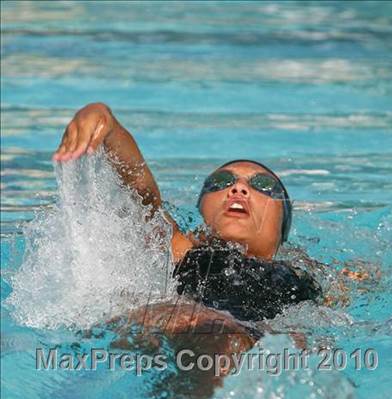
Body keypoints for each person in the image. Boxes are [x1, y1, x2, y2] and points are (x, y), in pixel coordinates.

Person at [53, 102, 321, 329]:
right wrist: (105, 121)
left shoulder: (309, 276)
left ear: (282, 229)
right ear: (202, 211)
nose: (238, 188)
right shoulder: (182, 249)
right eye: (221, 182)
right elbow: (141, 192)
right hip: (191, 331)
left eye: (263, 186)